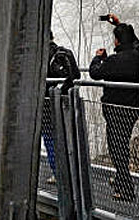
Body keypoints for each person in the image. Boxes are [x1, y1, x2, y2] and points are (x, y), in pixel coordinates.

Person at [89, 14, 139, 201]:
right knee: (122, 145)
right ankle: (121, 179)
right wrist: (120, 25)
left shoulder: (114, 61)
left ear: (117, 41)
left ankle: (126, 188)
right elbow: (136, 42)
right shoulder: (138, 55)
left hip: (115, 110)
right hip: (132, 109)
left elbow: (95, 73)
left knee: (116, 148)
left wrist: (98, 58)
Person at [43, 31, 81, 182]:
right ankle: (72, 172)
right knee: (67, 137)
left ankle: (58, 173)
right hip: (66, 102)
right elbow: (77, 75)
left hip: (48, 103)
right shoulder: (65, 52)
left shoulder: (41, 55)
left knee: (50, 139)